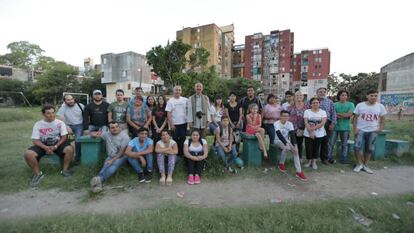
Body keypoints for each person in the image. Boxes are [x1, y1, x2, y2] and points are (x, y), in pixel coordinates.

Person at [24, 105, 73, 187]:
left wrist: (56, 146)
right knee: (28, 154)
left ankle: (65, 170)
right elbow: (35, 140)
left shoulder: (60, 123)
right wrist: (45, 147)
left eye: (53, 113)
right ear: (43, 114)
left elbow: (64, 137)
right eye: (48, 113)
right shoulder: (38, 124)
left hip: (57, 144)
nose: (52, 115)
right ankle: (38, 174)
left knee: (69, 149)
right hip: (43, 145)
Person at [89, 121, 130, 192]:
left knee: (113, 166)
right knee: (106, 165)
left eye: (117, 127)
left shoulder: (125, 137)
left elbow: (121, 152)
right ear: (109, 129)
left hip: (121, 156)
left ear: (119, 127)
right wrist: (94, 134)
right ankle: (99, 183)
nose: (115, 129)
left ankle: (99, 179)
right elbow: (92, 134)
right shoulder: (107, 134)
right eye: (112, 127)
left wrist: (112, 160)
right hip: (111, 156)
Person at [353, 90, 387, 174]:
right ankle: (359, 164)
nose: (374, 97)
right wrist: (355, 129)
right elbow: (355, 118)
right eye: (372, 95)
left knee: (370, 149)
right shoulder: (360, 105)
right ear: (367, 96)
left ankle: (366, 165)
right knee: (357, 147)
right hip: (361, 130)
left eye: (375, 96)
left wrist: (380, 129)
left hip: (373, 131)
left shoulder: (380, 106)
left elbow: (383, 120)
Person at [274, 110, 307, 181]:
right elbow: (279, 135)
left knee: (296, 151)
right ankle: (281, 164)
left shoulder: (290, 124)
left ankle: (299, 171)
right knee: (286, 148)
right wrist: (286, 144)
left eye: (287, 116)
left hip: (287, 140)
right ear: (280, 116)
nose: (285, 117)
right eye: (284, 116)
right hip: (277, 140)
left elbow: (292, 135)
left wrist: (295, 146)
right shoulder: (276, 123)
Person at [328, 90, 355, 164]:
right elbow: (332, 114)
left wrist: (337, 114)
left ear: (347, 96)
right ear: (339, 96)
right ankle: (328, 157)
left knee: (344, 144)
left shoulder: (351, 104)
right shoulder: (334, 104)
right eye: (342, 95)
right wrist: (343, 115)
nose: (344, 96)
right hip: (335, 127)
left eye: (345, 95)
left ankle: (343, 159)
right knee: (331, 143)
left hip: (345, 128)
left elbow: (349, 114)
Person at [57, 94, 84, 162]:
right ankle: (64, 156)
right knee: (64, 140)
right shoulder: (63, 107)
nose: (71, 101)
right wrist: (66, 127)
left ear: (74, 99)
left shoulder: (80, 105)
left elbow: (86, 116)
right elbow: (60, 119)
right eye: (68, 100)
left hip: (79, 125)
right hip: (69, 126)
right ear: (65, 101)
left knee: (78, 141)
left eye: (71, 99)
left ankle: (78, 158)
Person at [303, 97, 327, 170]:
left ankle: (314, 162)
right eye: (313, 103)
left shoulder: (323, 112)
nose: (315, 104)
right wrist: (310, 131)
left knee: (316, 148)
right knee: (309, 148)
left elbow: (323, 123)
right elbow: (306, 122)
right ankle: (309, 162)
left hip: (319, 134)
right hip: (308, 133)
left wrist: (313, 129)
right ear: (310, 104)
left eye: (317, 103)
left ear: (319, 104)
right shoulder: (307, 111)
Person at [315, 87, 337, 164]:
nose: (322, 93)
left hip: (327, 123)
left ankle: (324, 158)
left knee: (325, 141)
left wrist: (332, 123)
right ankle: (314, 158)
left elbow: (333, 113)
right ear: (317, 93)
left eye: (324, 92)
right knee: (316, 141)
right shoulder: (312, 101)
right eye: (320, 92)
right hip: (315, 123)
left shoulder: (330, 102)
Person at [166, 85, 189, 156]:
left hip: (183, 123)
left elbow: (189, 110)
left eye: (179, 90)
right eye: (176, 90)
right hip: (175, 124)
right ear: (173, 91)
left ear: (181, 91)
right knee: (175, 139)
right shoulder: (170, 101)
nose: (177, 91)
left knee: (183, 138)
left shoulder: (185, 100)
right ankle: (176, 153)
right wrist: (171, 124)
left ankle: (182, 153)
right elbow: (168, 113)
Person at [288, 91, 307, 159]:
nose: (299, 97)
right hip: (292, 128)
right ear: (294, 97)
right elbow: (287, 116)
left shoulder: (307, 106)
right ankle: (294, 157)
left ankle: (299, 157)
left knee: (300, 143)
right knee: (293, 143)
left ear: (303, 97)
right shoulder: (290, 106)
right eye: (297, 95)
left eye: (300, 95)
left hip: (303, 127)